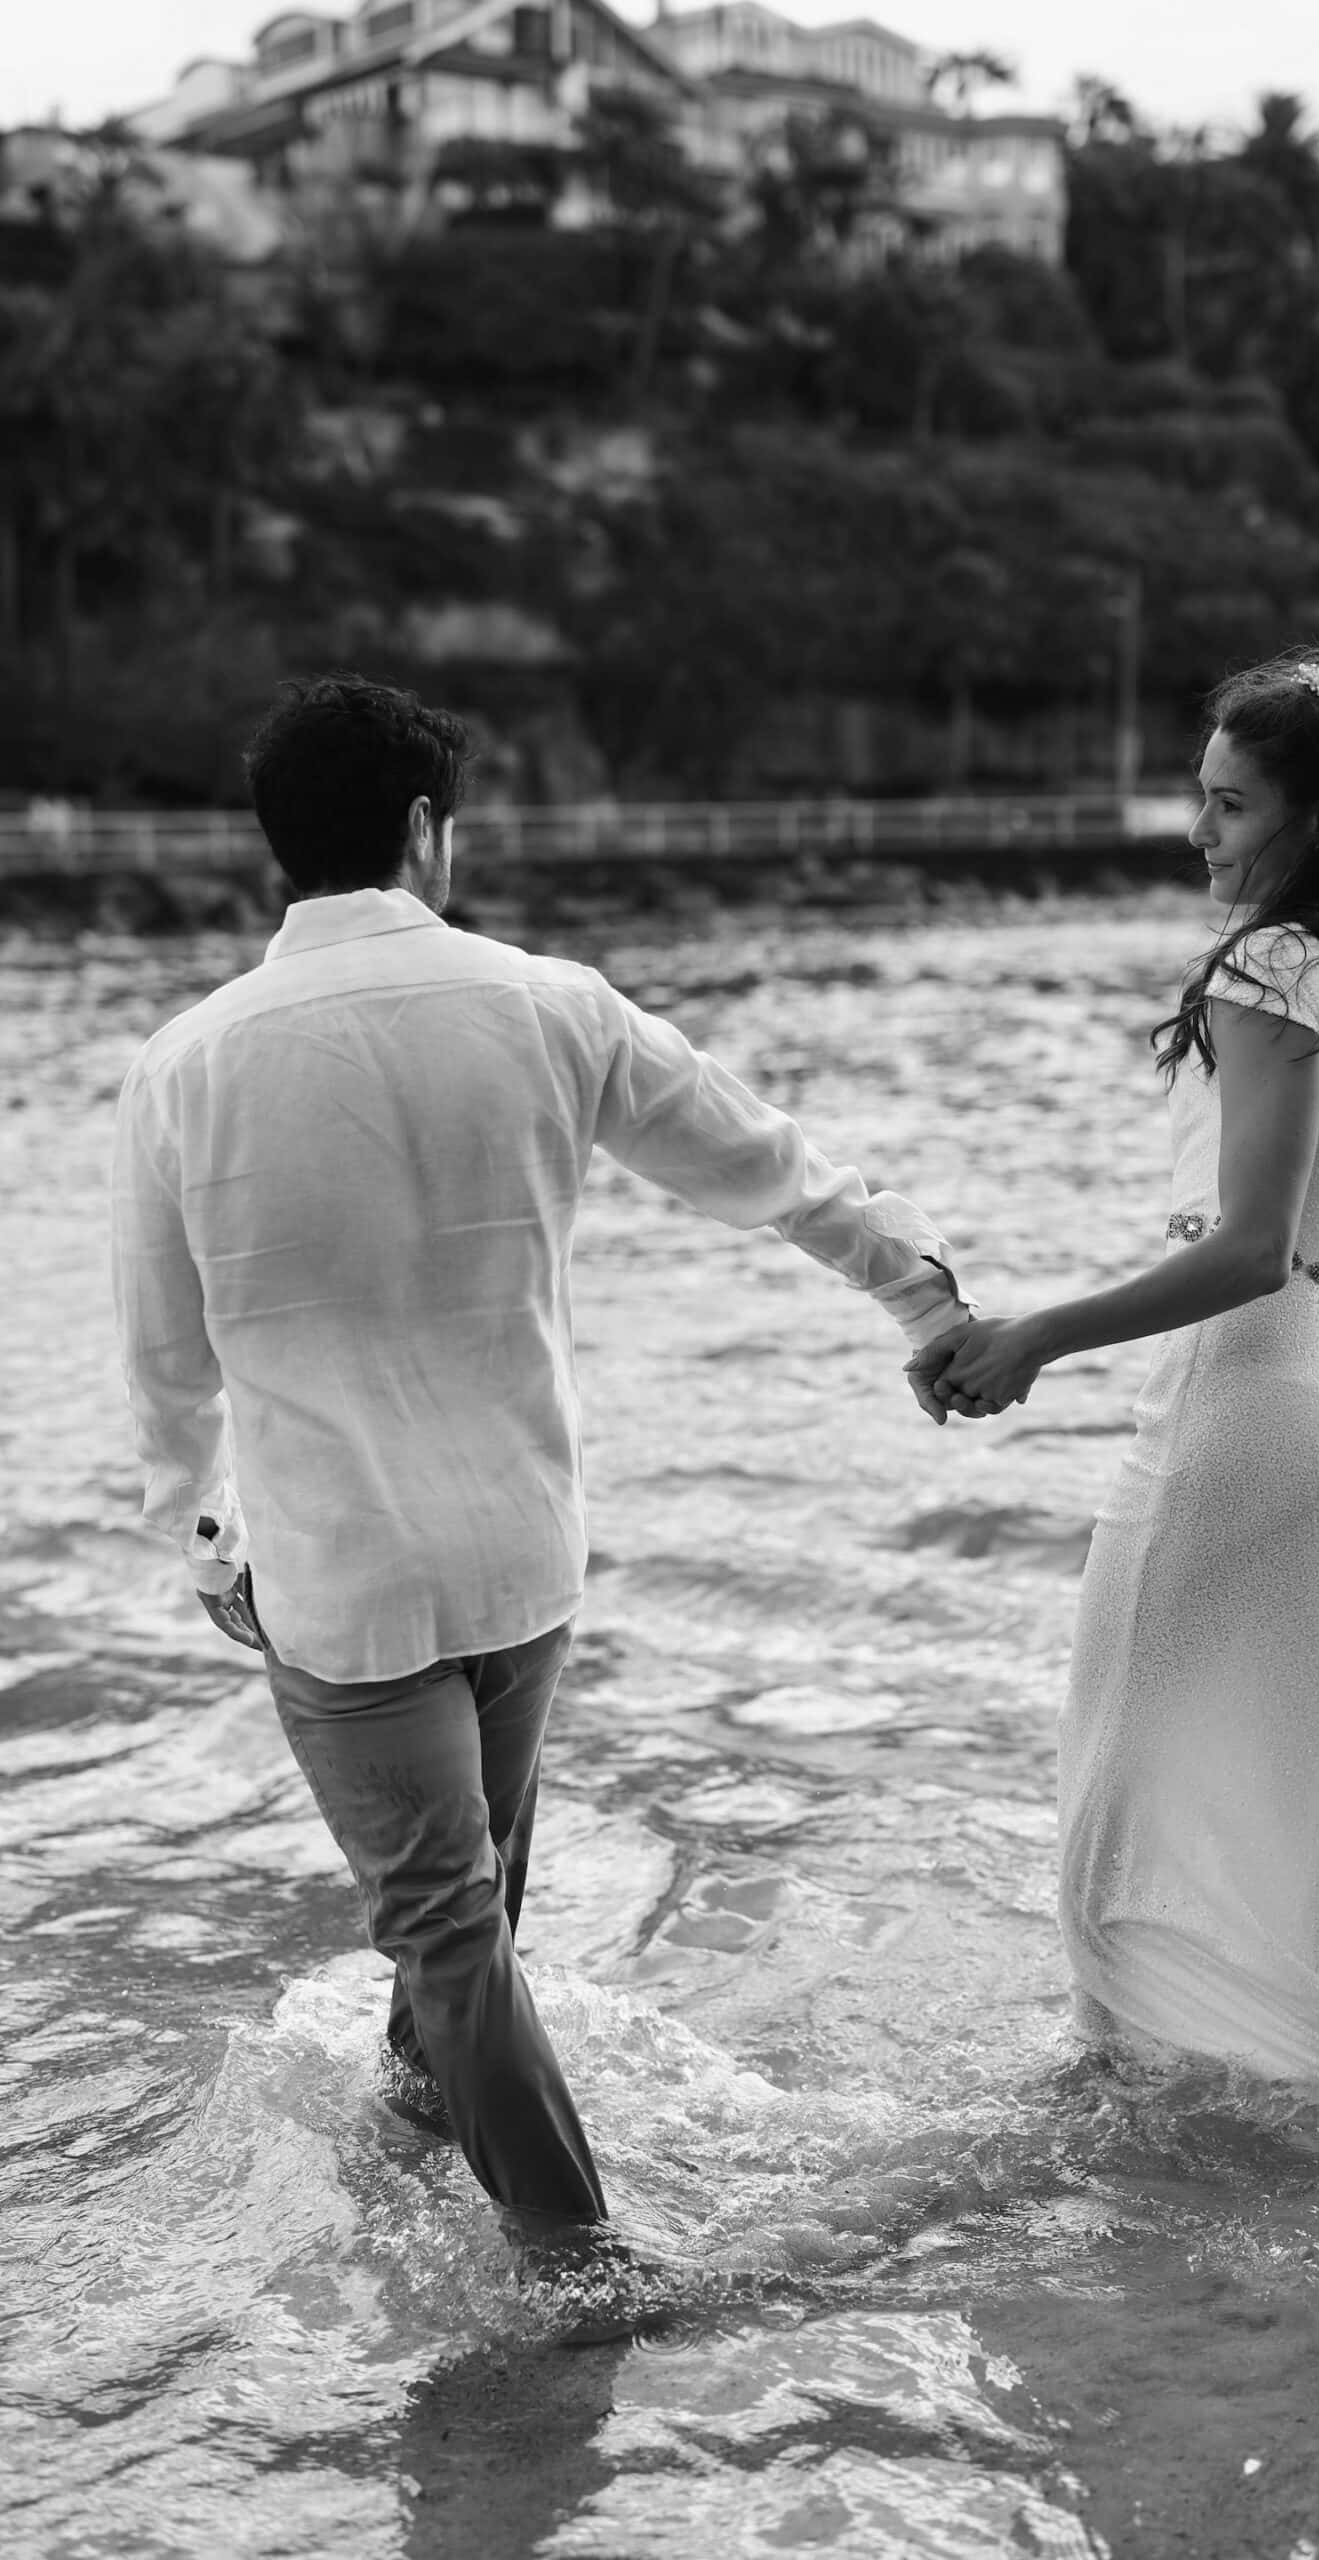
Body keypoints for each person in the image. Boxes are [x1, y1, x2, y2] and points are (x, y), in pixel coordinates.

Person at [111, 673, 974, 2227]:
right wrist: (923, 1292)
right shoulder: (549, 1005)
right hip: (519, 1553)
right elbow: (767, 1167)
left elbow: (161, 1361)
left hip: (342, 1575)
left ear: (273, 849)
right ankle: (456, 2167)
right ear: (427, 833)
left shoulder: (183, 1065)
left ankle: (566, 2264)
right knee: (472, 1916)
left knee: (448, 1933)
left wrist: (204, 1541)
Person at [910, 646, 1319, 2103]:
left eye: (1232, 808)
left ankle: (1134, 2108)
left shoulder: (1272, 968)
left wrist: (1030, 1337)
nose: (1202, 835)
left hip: (1260, 1382)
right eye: (1202, 801)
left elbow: (1252, 1251)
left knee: (1126, 1781)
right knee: (1313, 1776)